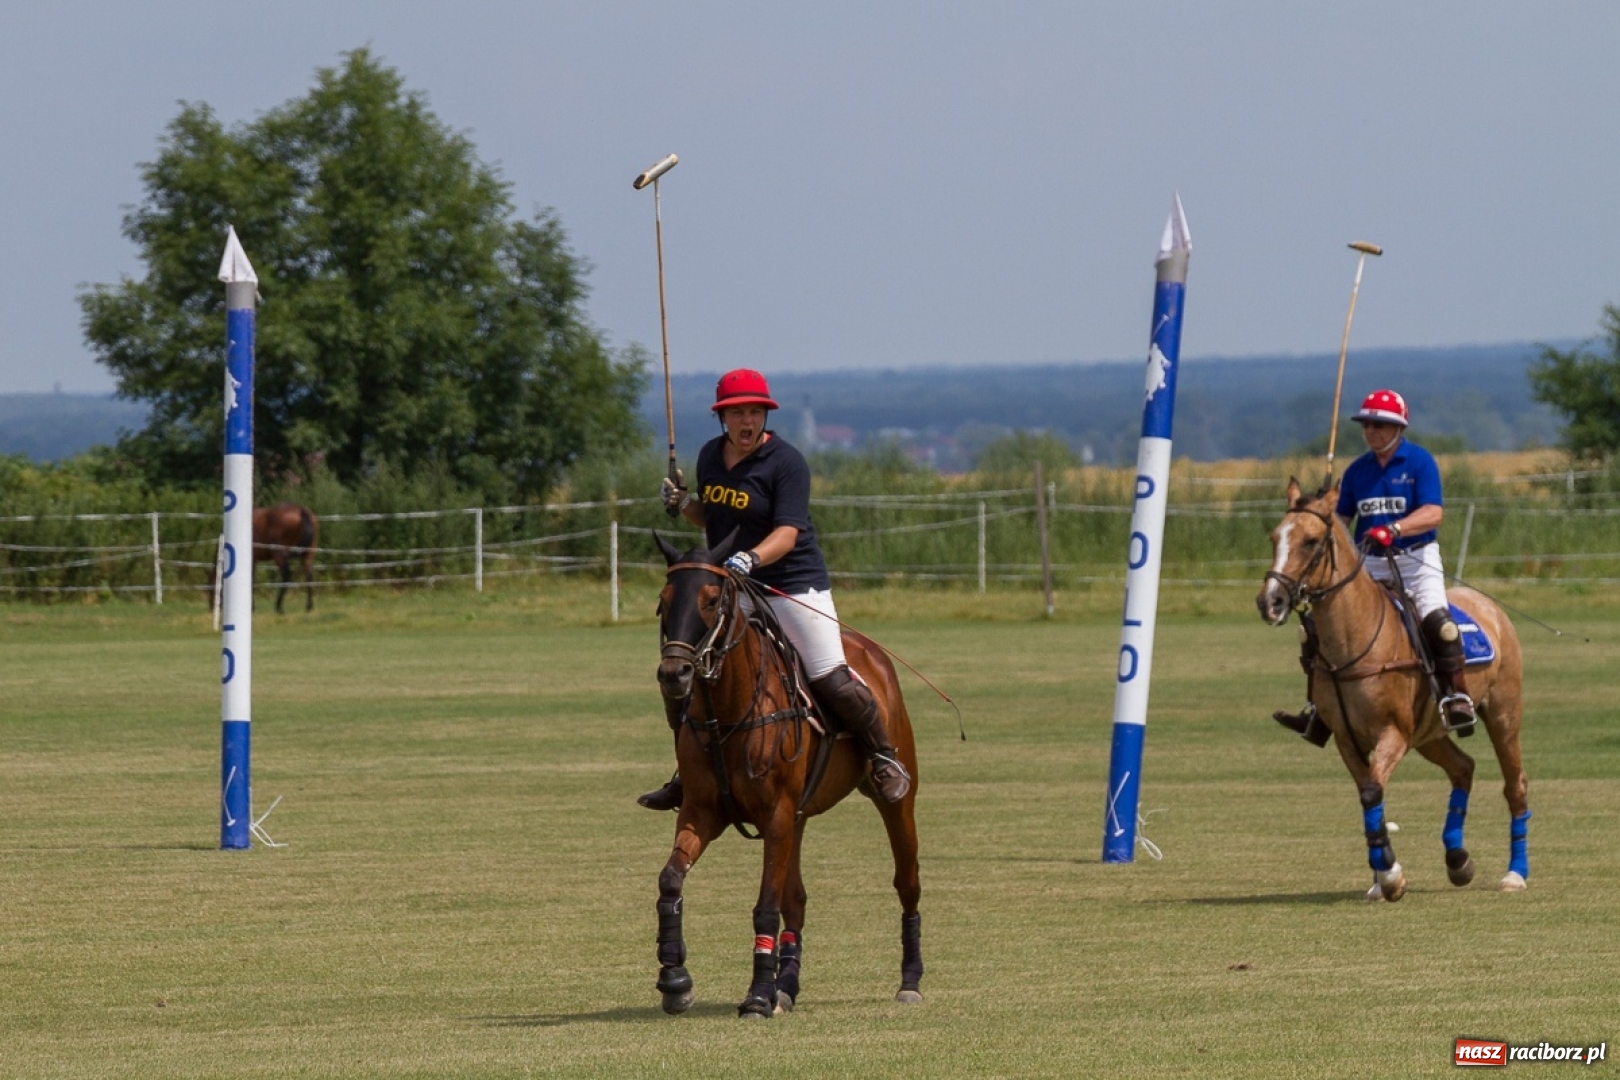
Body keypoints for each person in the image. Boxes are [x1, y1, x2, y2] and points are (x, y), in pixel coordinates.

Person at [639, 368, 911, 810]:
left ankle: (883, 757)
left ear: (765, 415)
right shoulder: (710, 457)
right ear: (722, 418)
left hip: (792, 586)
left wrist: (751, 558)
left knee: (829, 676)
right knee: (686, 668)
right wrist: (684, 503)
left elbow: (787, 533)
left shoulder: (786, 463)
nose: (746, 421)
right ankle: (688, 773)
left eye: (754, 412)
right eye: (737, 413)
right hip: (735, 588)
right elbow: (715, 517)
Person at [1275, 388, 1477, 740]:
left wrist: (1395, 528)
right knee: (1314, 628)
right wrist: (1321, 510)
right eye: (1367, 425)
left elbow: (1433, 513)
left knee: (1440, 623)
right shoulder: (1357, 472)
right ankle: (1318, 710)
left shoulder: (1419, 462)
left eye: (1380, 425)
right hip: (1369, 562)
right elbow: (1339, 523)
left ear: (1399, 428)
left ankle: (1456, 697)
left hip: (1415, 561)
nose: (1371, 431)